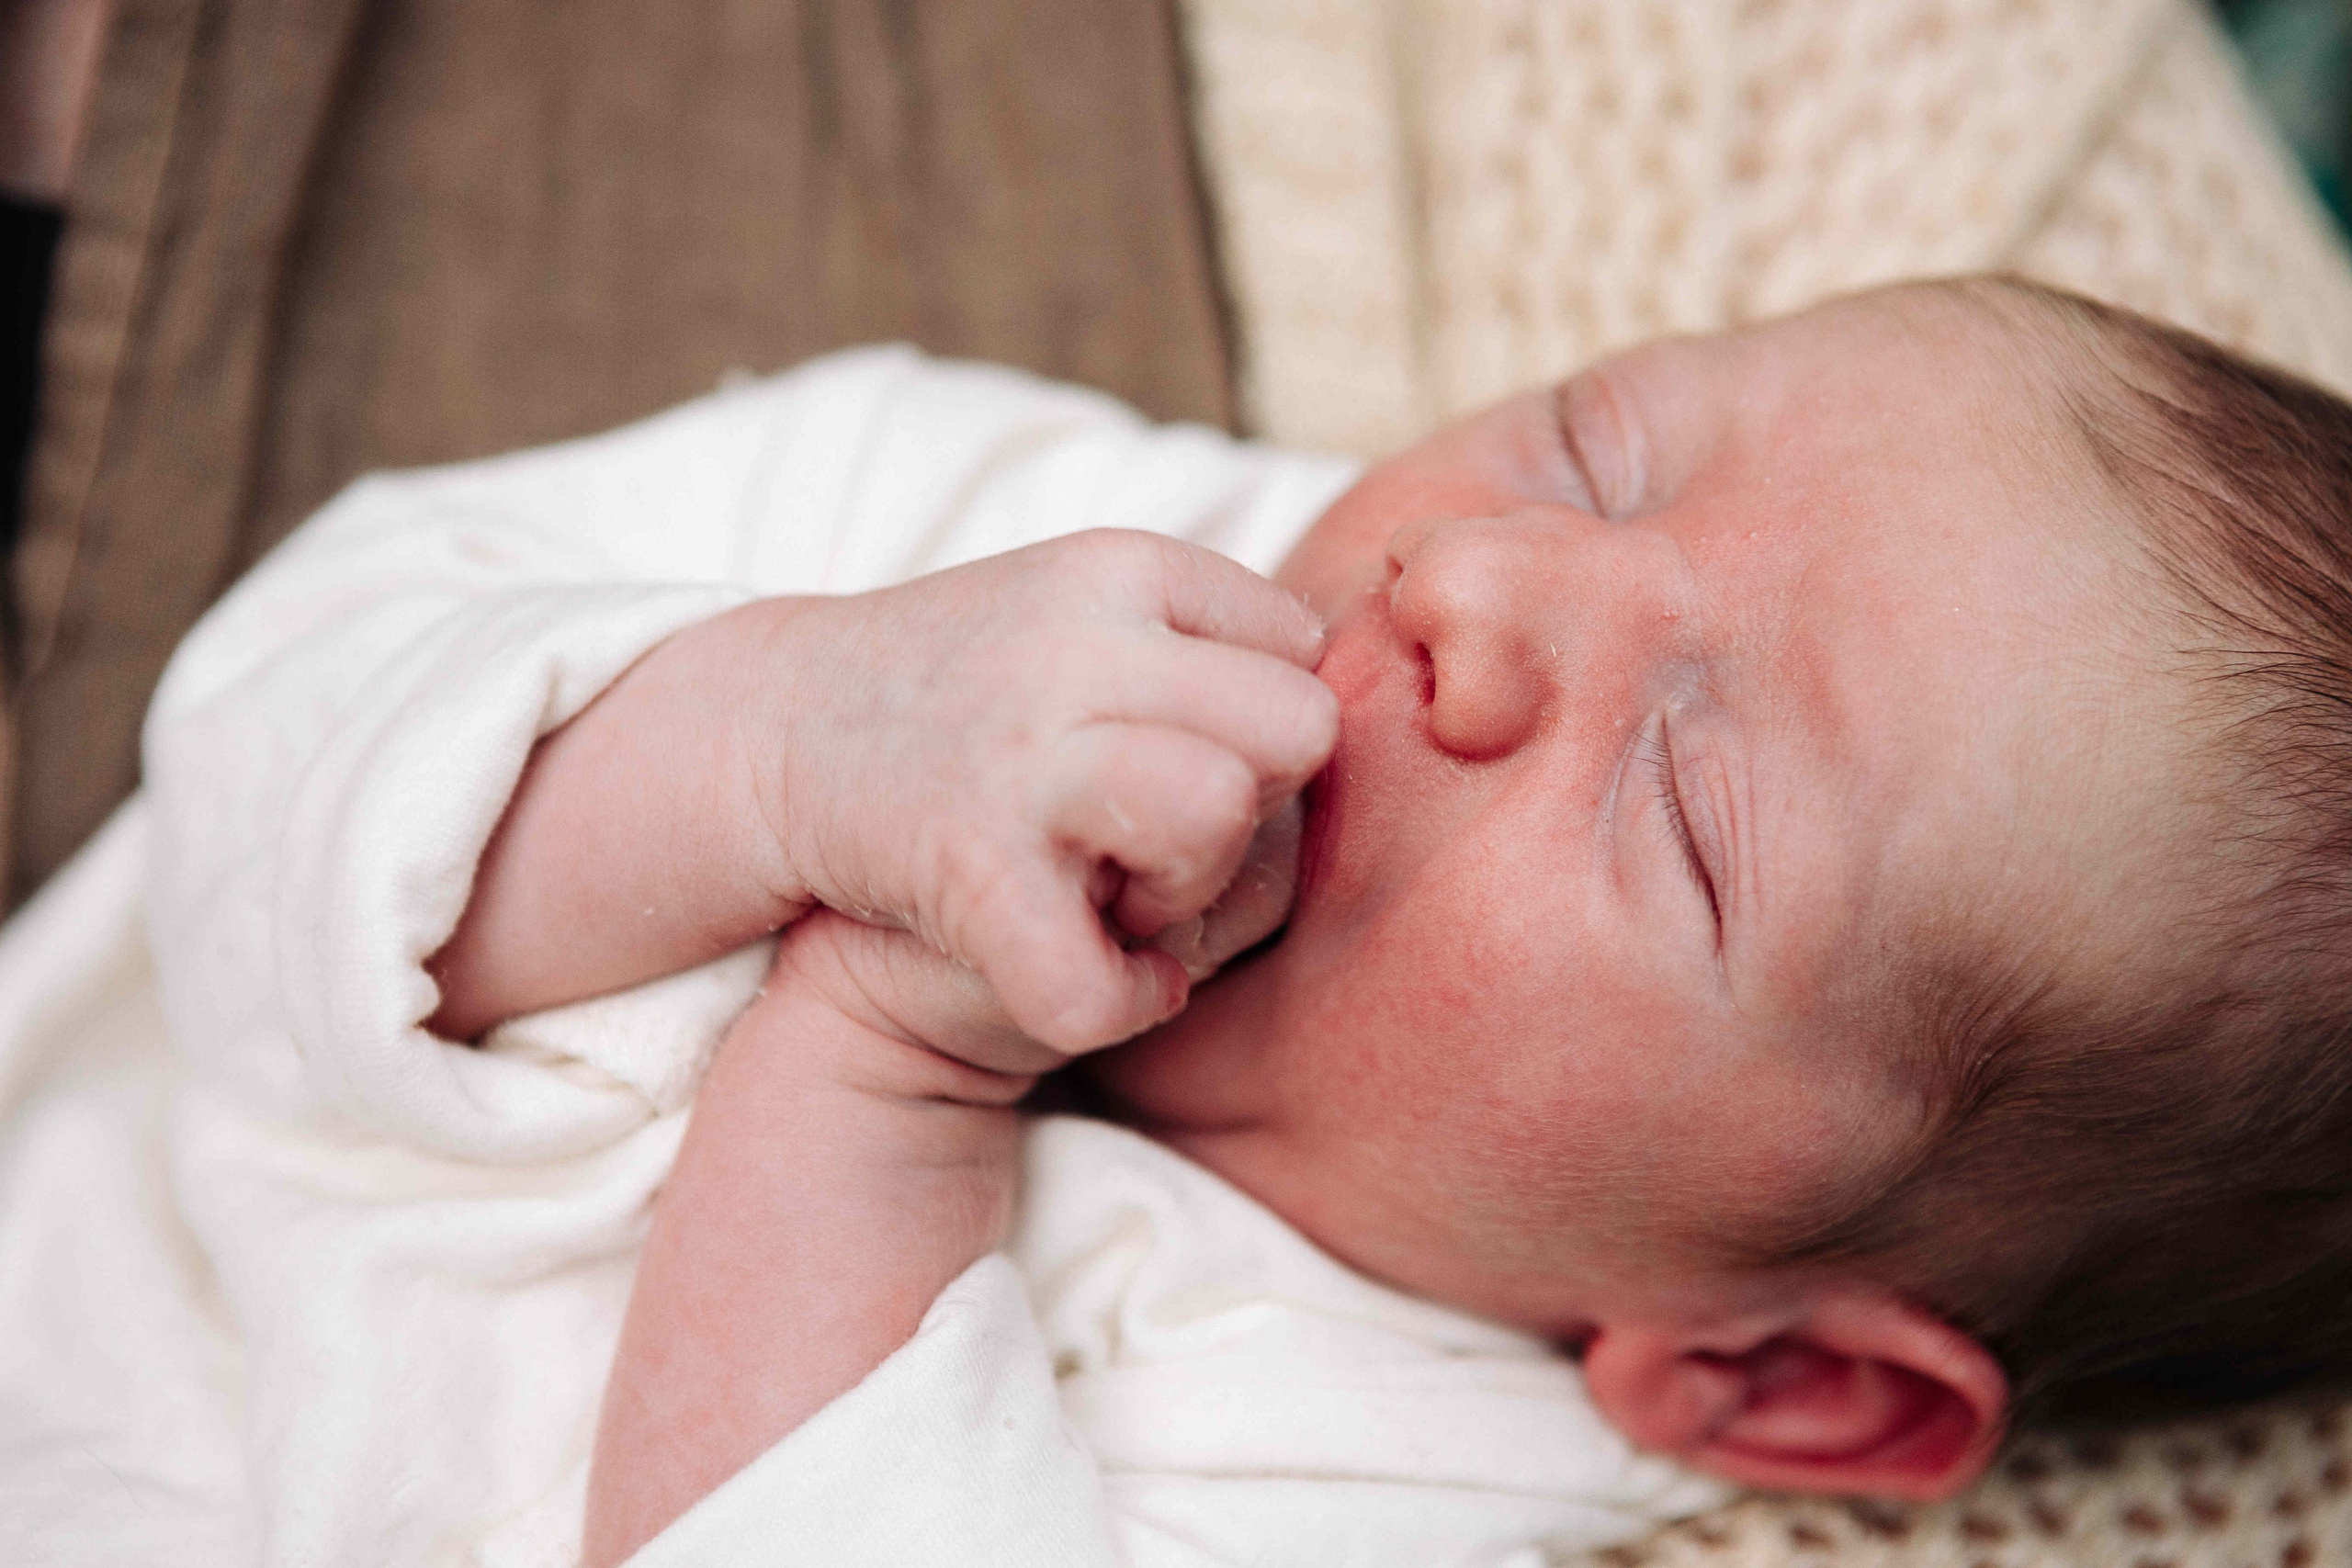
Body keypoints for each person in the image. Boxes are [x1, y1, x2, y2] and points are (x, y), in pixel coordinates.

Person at [81, 273, 2352, 1563]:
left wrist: (876, 1070)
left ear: (1776, 1370)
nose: (1475, 579)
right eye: (1592, 449)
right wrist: (777, 744)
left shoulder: (1359, 1472)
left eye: (1680, 798)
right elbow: (254, 751)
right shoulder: (1012, 525)